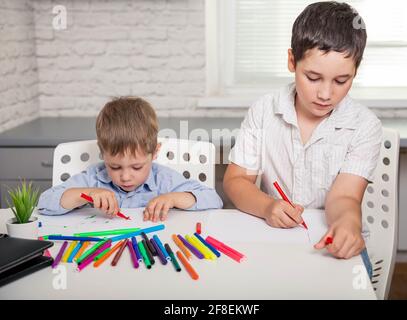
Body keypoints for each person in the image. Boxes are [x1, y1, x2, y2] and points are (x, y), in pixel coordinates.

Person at [223, 1, 381, 277]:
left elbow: (344, 196)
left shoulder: (365, 126)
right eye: (313, 77)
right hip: (274, 237)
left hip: (331, 242)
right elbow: (236, 181)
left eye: (341, 81)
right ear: (292, 61)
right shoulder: (264, 111)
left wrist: (347, 224)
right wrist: (268, 206)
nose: (325, 94)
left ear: (356, 70)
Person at [38, 96, 223, 222]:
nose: (125, 177)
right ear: (102, 152)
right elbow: (45, 204)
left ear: (155, 152)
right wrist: (85, 194)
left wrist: (173, 198)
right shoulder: (93, 178)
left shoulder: (163, 180)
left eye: (136, 167)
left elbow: (214, 200)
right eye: (115, 167)